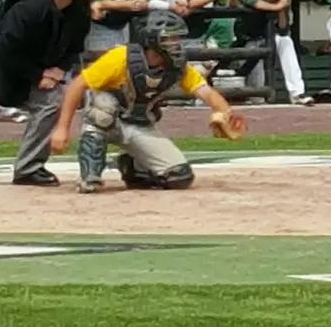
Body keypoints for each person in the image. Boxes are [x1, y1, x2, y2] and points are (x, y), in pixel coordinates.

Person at [48, 10, 234, 193]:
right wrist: (62, 129)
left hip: (139, 124)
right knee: (103, 108)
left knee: (180, 176)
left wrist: (225, 113)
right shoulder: (120, 57)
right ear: (152, 40)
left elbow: (205, 92)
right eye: (170, 39)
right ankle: (90, 174)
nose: (176, 44)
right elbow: (77, 86)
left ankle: (132, 166)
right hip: (107, 121)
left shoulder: (176, 66)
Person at [0, 0, 91, 186]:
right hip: (3, 66)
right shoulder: (28, 7)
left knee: (53, 100)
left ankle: (28, 168)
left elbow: (75, 48)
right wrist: (38, 76)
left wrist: (59, 70)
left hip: (29, 72)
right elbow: (6, 50)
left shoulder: (78, 11)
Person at [239, 0, 314, 105]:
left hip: (269, 39)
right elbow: (250, 1)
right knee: (257, 97)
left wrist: (281, 9)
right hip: (247, 40)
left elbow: (283, 28)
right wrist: (277, 5)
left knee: (286, 41)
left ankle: (297, 93)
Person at [186, 0, 240, 77]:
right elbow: (190, 3)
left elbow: (231, 7)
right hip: (185, 35)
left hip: (203, 35)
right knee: (195, 71)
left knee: (204, 69)